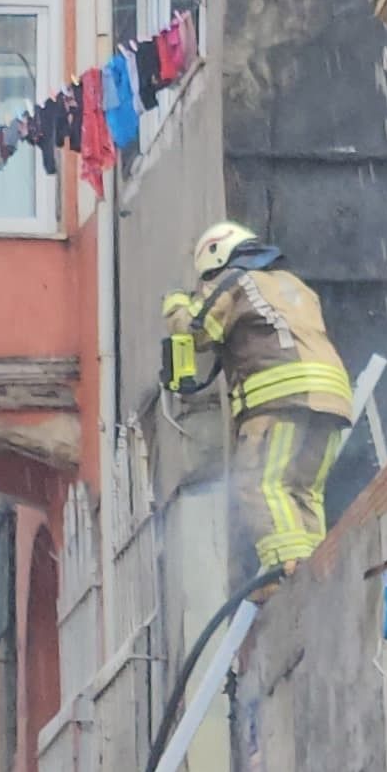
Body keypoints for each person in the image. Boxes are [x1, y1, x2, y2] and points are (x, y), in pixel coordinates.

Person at [163, 221, 352, 579]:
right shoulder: (294, 286)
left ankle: (290, 571)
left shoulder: (234, 281)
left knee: (260, 483)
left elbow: (195, 330)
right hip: (332, 398)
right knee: (303, 490)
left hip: (279, 398)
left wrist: (175, 304)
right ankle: (316, 571)